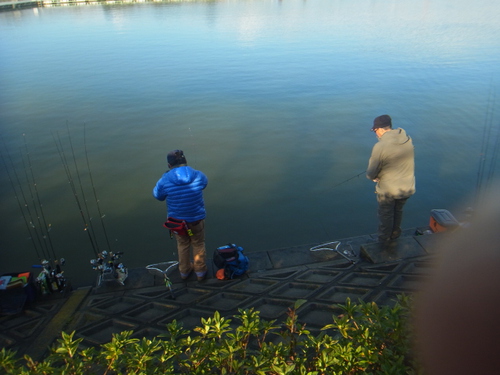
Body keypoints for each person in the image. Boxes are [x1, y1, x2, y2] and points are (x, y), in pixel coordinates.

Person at [153, 150, 208, 281]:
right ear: (186, 162)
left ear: (169, 165)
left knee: (183, 244)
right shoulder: (198, 175)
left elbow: (158, 196)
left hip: (178, 224)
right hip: (195, 221)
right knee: (198, 243)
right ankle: (200, 272)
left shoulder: (165, 179)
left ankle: (184, 271)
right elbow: (204, 184)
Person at [366, 115, 415, 242]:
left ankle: (383, 240)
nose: (375, 134)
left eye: (375, 131)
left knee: (386, 215)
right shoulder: (407, 139)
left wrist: (374, 177)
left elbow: (371, 172)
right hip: (407, 187)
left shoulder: (380, 146)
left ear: (380, 129)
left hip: (389, 190)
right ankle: (395, 235)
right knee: (398, 211)